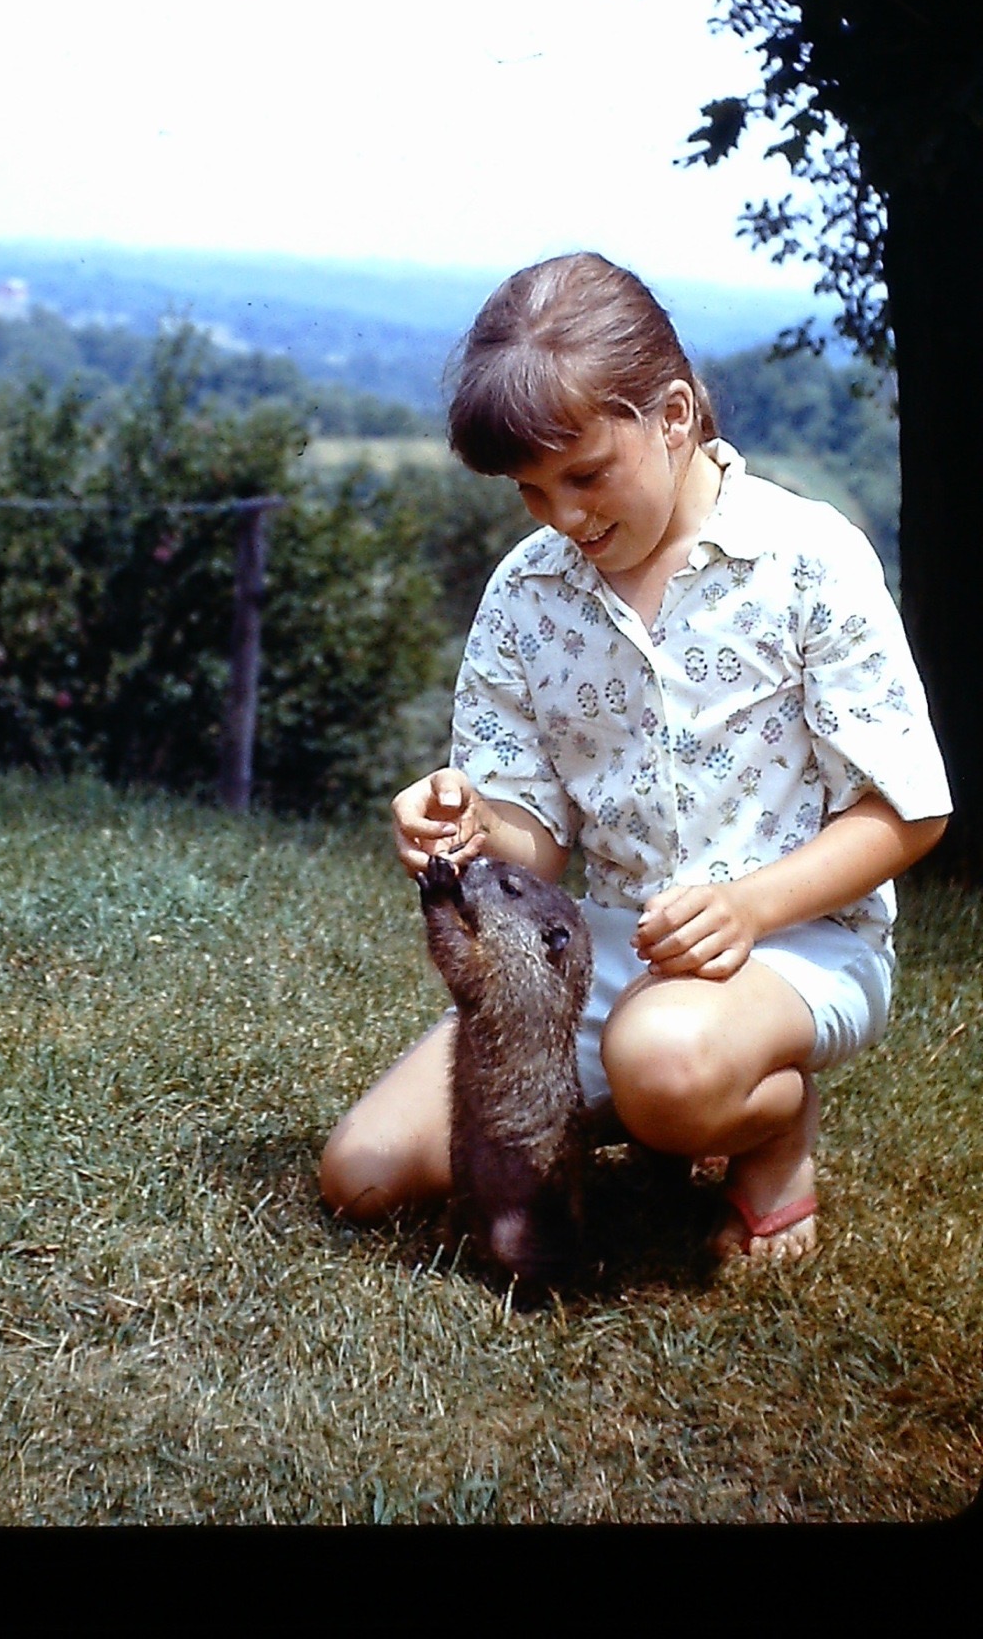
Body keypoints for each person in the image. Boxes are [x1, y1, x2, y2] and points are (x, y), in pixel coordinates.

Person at [320, 252, 951, 1263]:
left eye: (585, 474)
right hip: (603, 958)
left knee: (663, 1061)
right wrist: (469, 826)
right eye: (530, 490)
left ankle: (769, 1125)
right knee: (363, 1171)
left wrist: (750, 906)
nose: (563, 516)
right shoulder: (528, 593)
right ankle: (645, 1097)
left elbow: (908, 811)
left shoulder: (806, 558)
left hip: (795, 939)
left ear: (674, 413)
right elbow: (534, 859)